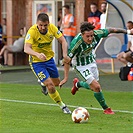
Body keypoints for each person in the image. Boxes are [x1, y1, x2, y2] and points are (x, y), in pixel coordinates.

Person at [59, 22, 133, 114]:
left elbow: (110, 30)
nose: (90, 38)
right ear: (82, 35)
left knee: (93, 87)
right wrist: (65, 78)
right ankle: (106, 109)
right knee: (97, 87)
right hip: (80, 66)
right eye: (87, 36)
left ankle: (78, 84)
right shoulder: (76, 43)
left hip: (91, 61)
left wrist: (128, 32)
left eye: (91, 35)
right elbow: (67, 60)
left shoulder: (97, 34)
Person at [24, 13, 71, 114]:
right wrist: (37, 54)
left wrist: (65, 55)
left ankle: (42, 82)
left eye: (45, 25)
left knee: (57, 83)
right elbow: (26, 48)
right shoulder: (32, 31)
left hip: (49, 60)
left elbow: (63, 41)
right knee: (50, 85)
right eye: (40, 25)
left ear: (48, 24)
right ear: (37, 23)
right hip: (37, 62)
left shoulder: (52, 28)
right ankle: (63, 106)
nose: (43, 27)